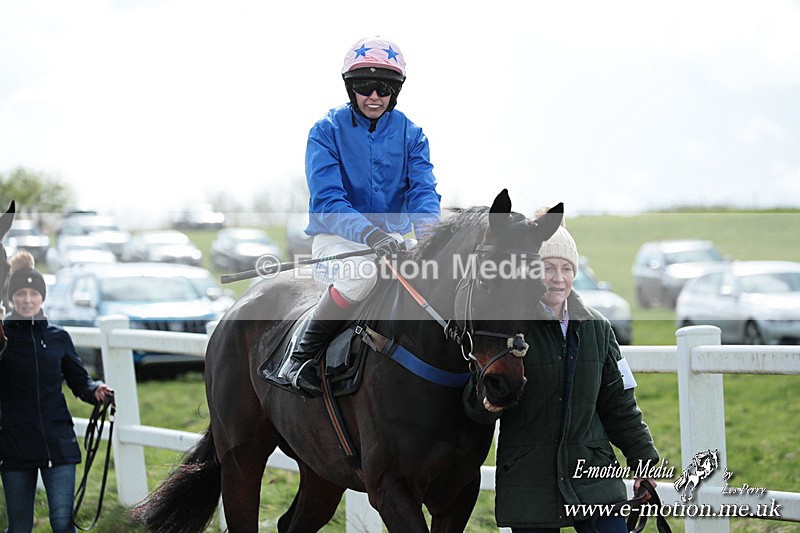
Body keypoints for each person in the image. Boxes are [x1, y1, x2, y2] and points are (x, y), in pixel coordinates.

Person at [281, 35, 441, 397]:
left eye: (383, 89)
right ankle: (299, 357)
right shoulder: (325, 131)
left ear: (394, 92)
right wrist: (371, 236)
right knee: (362, 274)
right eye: (364, 87)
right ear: (350, 89)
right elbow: (328, 201)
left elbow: (423, 193)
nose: (374, 96)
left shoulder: (412, 135)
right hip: (338, 240)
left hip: (394, 241)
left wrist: (429, 239)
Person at [493, 215, 659, 532]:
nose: (558, 278)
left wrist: (644, 463)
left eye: (566, 268)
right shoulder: (510, 329)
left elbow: (620, 405)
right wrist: (486, 402)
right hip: (529, 483)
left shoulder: (598, 328)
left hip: (593, 475)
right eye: (548, 268)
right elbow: (479, 406)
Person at [0, 251, 113, 533]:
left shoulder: (58, 337)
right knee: (19, 528)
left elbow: (80, 381)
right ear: (12, 298)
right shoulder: (3, 340)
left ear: (42, 298)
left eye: (33, 294)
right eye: (21, 294)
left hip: (58, 443)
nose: (27, 300)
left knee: (63, 524)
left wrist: (96, 389)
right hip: (14, 445)